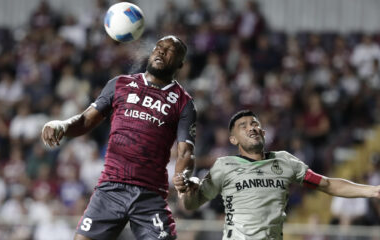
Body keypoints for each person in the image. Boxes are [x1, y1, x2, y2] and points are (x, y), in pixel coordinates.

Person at [41, 35, 197, 240]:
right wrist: (61, 124)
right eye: (158, 47)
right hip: (111, 188)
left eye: (170, 51)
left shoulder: (184, 102)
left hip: (150, 194)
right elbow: (86, 120)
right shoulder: (120, 84)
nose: (161, 51)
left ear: (180, 63)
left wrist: (182, 175)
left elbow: (186, 151)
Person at [174, 110, 380, 240]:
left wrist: (372, 190)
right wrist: (188, 191)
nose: (251, 128)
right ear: (233, 140)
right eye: (243, 126)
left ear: (264, 133)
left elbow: (327, 184)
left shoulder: (284, 161)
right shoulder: (224, 165)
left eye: (255, 124)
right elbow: (193, 204)